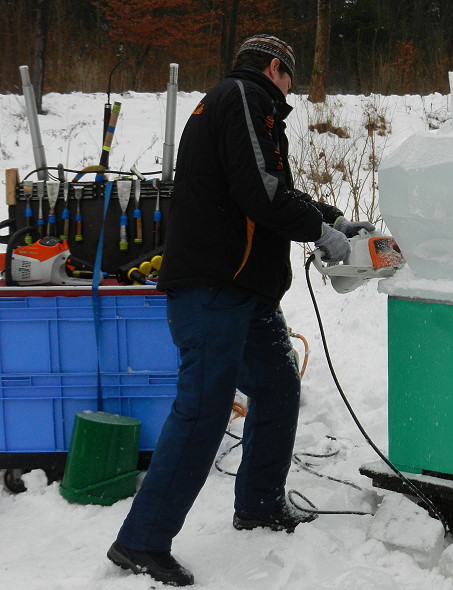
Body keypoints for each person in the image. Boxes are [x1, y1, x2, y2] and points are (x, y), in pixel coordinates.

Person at [106, 34, 374, 587]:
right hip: (213, 289)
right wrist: (321, 231)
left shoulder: (241, 106)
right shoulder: (247, 98)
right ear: (276, 67)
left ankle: (258, 503)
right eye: (291, 79)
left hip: (244, 293)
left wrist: (332, 220)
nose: (291, 91)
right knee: (203, 409)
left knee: (277, 388)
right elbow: (263, 191)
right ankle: (141, 541)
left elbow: (269, 190)